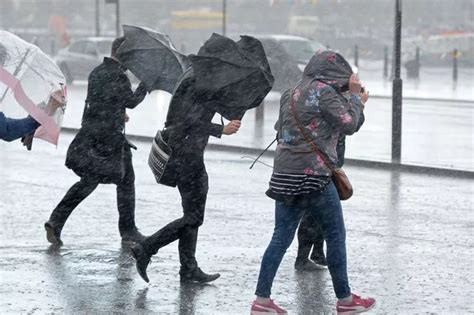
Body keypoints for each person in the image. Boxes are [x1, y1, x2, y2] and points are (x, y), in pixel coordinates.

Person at [250, 50, 375, 314]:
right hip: (314, 176)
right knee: (335, 235)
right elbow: (349, 124)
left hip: (283, 175)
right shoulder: (324, 93)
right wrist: (355, 97)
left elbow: (279, 128)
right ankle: (345, 301)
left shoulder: (290, 91)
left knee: (280, 237)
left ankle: (262, 300)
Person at [130, 68, 241, 284]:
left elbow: (193, 115)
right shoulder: (197, 83)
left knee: (191, 214)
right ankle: (147, 248)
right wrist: (221, 129)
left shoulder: (194, 78)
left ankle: (188, 267)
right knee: (193, 217)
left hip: (187, 155)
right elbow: (187, 120)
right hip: (187, 157)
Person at [44, 37, 148, 245]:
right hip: (110, 139)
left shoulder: (97, 72)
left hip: (92, 135)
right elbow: (131, 102)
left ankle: (56, 220)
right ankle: (128, 230)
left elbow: (101, 102)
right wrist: (146, 84)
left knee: (89, 181)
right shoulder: (119, 76)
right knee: (125, 181)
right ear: (124, 54)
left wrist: (118, 113)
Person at [295, 92, 366, 272]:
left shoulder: (324, 97)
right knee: (312, 213)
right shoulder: (324, 98)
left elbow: (352, 124)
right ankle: (303, 257)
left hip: (326, 164)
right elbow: (350, 124)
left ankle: (316, 252)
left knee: (321, 213)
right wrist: (358, 102)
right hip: (318, 165)